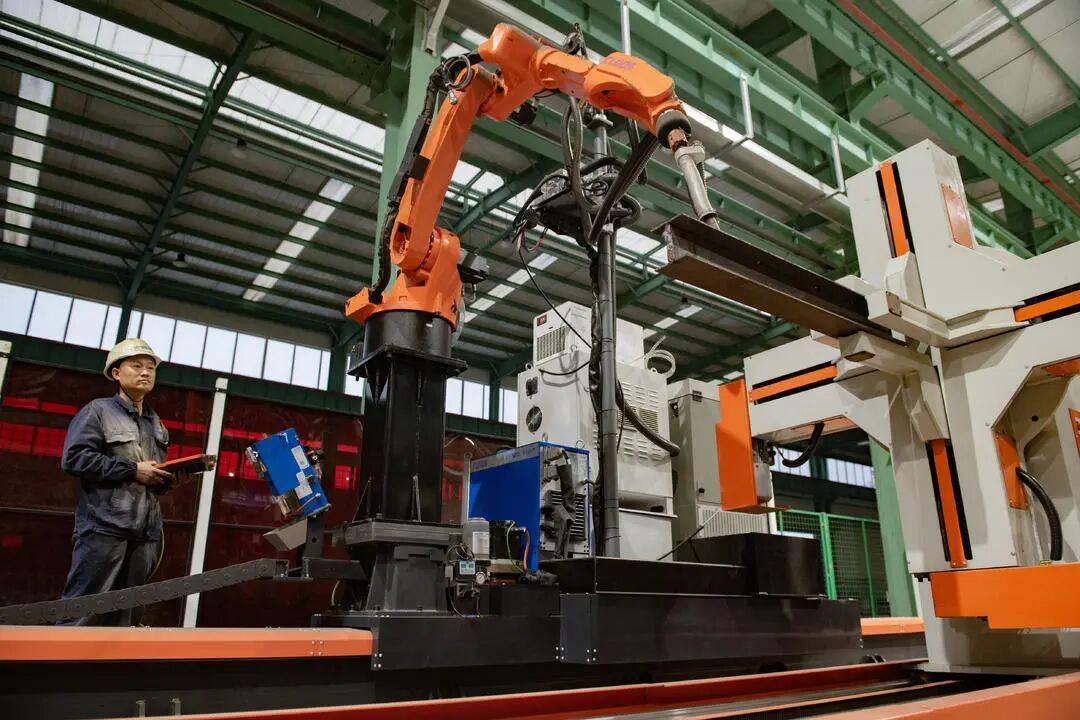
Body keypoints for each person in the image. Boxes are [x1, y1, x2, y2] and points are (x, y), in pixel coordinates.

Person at [58, 338, 173, 626]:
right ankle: (64, 655)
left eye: (151, 368)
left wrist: (168, 478)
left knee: (127, 618)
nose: (145, 372)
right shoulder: (97, 411)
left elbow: (150, 473)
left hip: (146, 534)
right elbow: (74, 459)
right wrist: (132, 470)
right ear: (116, 373)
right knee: (82, 612)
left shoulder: (156, 423)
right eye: (137, 365)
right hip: (104, 530)